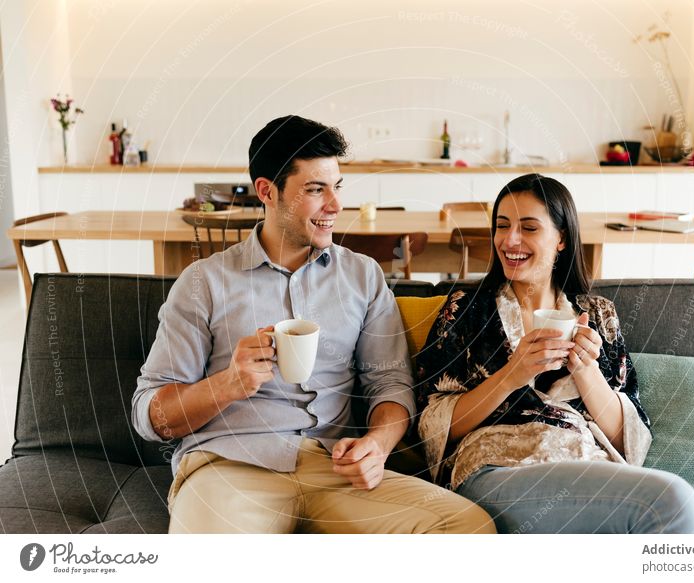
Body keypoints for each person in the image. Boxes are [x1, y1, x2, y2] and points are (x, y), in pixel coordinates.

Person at [132, 115, 494, 534]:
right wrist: (228, 384)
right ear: (268, 191)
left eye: (336, 188)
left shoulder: (363, 277)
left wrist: (377, 445)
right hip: (231, 467)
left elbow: (391, 384)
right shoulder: (203, 282)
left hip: (335, 469)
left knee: (467, 528)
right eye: (315, 189)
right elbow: (150, 415)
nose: (335, 206)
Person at [415, 173, 694, 534]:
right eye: (502, 226)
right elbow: (433, 424)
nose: (510, 240)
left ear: (562, 239)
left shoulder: (598, 314)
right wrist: (512, 375)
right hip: (499, 467)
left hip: (583, 462)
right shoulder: (466, 309)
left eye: (529, 228)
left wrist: (586, 371)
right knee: (671, 498)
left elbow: (625, 437)